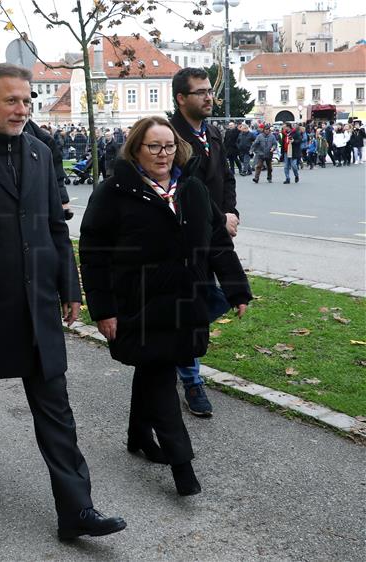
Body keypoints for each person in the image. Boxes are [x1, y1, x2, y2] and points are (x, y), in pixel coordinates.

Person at [0, 62, 127, 541]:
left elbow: (56, 227)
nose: (21, 109)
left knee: (56, 408)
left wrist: (70, 288)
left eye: (27, 100)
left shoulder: (41, 154)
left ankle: (77, 510)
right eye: (11, 100)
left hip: (37, 305)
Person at [79, 116, 251, 496]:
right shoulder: (114, 192)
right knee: (159, 374)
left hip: (185, 300)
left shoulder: (192, 189)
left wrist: (236, 289)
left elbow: (218, 241)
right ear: (136, 149)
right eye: (154, 146)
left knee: (155, 365)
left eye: (169, 146)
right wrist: (103, 309)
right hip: (138, 303)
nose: (163, 154)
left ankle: (138, 434)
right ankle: (182, 464)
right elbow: (93, 254)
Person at [170, 67, 239, 416]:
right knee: (192, 306)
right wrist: (218, 216)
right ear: (182, 98)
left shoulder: (212, 132)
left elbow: (226, 177)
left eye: (209, 91)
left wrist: (231, 211)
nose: (209, 97)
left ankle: (176, 349)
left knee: (223, 294)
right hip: (186, 235)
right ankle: (191, 379)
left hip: (217, 232)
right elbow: (186, 185)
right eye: (200, 92)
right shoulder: (169, 135)